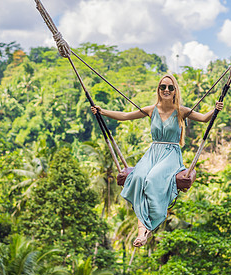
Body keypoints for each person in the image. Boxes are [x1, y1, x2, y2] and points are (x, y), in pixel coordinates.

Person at [91, 74, 223, 247]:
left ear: (175, 90)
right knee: (138, 178)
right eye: (163, 87)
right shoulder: (151, 109)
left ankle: (147, 227)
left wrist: (216, 109)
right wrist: (102, 112)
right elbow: (124, 115)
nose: (166, 90)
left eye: (170, 87)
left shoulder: (181, 111)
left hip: (170, 154)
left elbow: (205, 118)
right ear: (159, 90)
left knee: (153, 179)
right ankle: (142, 230)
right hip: (153, 152)